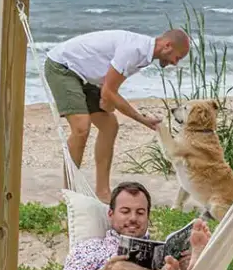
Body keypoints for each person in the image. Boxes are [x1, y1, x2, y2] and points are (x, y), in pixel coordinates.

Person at [45, 27, 190, 201]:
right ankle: (68, 192)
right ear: (167, 45)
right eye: (177, 57)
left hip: (86, 76)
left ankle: (103, 192)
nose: (175, 63)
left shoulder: (144, 56)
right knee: (81, 128)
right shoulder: (135, 50)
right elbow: (109, 92)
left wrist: (107, 102)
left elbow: (109, 89)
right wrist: (142, 120)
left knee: (110, 126)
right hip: (63, 67)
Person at [52, 181, 211, 270]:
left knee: (181, 260)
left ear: (148, 216)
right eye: (125, 211)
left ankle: (190, 268)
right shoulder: (92, 247)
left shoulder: (163, 252)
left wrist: (184, 262)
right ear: (111, 214)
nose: (133, 218)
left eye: (140, 212)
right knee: (118, 268)